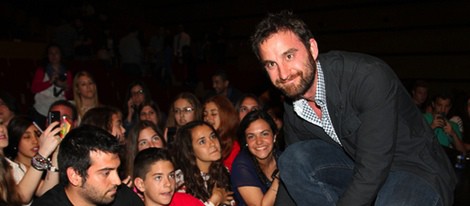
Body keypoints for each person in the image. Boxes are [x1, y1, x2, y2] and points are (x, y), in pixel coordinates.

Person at [250, 11, 456, 205]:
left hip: (412, 167)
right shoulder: (293, 104)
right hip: (356, 166)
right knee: (293, 159)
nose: (283, 74)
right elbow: (293, 176)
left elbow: (373, 168)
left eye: (288, 56)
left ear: (312, 49)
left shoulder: (368, 77)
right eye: (271, 64)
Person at [31, 125, 144, 206]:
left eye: (117, 170)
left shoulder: (125, 198)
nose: (117, 181)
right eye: (106, 173)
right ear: (75, 176)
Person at [171, 121, 233, 206]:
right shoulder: (179, 181)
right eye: (202, 141)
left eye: (213, 136)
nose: (212, 143)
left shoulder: (223, 170)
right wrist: (214, 200)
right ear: (190, 150)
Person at [3, 116, 61, 205]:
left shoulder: (19, 167)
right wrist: (43, 153)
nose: (35, 141)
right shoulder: (7, 167)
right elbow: (21, 197)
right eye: (27, 137)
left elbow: (47, 191)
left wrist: (56, 152)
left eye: (37, 135)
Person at [231, 110, 281, 206]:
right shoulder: (241, 166)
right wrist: (279, 176)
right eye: (251, 136)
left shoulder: (283, 158)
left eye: (264, 134)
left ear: (274, 136)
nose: (259, 141)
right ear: (246, 141)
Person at [133, 148, 203, 206]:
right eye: (158, 177)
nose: (168, 183)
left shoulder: (185, 202)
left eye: (171, 175)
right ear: (140, 184)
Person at [31, 44, 73, 129]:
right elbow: (34, 89)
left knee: (59, 133)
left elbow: (70, 95)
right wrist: (50, 82)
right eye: (51, 53)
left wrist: (65, 87)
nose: (54, 56)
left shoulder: (67, 72)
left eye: (56, 53)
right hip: (41, 109)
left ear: (61, 55)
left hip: (59, 109)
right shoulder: (42, 70)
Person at [203, 95, 240, 171]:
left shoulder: (233, 147)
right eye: (205, 114)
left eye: (213, 114)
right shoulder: (203, 143)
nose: (207, 118)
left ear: (226, 116)